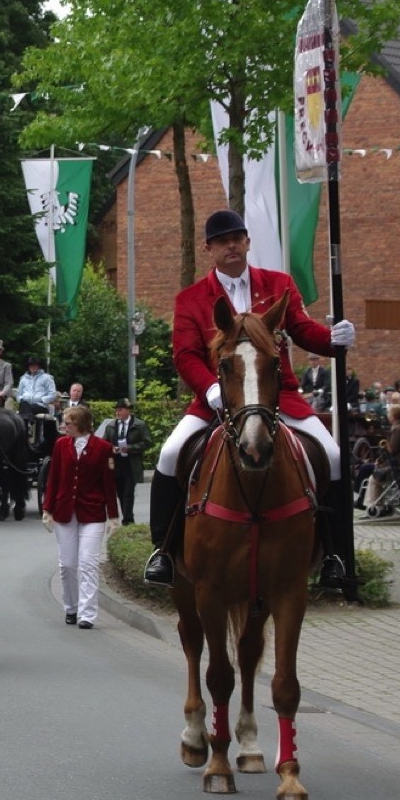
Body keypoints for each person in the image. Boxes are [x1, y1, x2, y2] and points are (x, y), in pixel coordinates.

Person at [144, 209, 354, 589]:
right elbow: (185, 354)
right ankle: (163, 549)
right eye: (223, 241)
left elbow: (303, 330)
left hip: (279, 396)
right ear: (209, 248)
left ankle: (335, 554)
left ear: (247, 242)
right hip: (216, 397)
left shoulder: (279, 284)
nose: (232, 245)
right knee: (170, 453)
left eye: (238, 238)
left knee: (335, 456)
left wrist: (333, 340)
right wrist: (210, 389)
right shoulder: (190, 299)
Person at [42, 406, 119, 629]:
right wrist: (47, 509)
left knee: (88, 563)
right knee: (67, 564)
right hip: (65, 510)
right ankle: (71, 607)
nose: (65, 427)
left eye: (69, 424)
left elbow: (109, 483)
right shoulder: (60, 445)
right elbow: (53, 477)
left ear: (81, 425)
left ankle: (87, 614)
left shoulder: (103, 448)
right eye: (65, 423)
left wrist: (113, 516)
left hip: (92, 512)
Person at [101, 398, 150, 526]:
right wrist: (111, 448)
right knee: (120, 492)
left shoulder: (139, 425)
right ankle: (127, 516)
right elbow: (104, 442)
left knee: (128, 492)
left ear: (128, 411)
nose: (117, 413)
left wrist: (129, 448)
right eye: (116, 410)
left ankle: (127, 520)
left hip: (131, 464)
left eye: (120, 410)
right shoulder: (111, 426)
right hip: (116, 464)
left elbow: (146, 442)